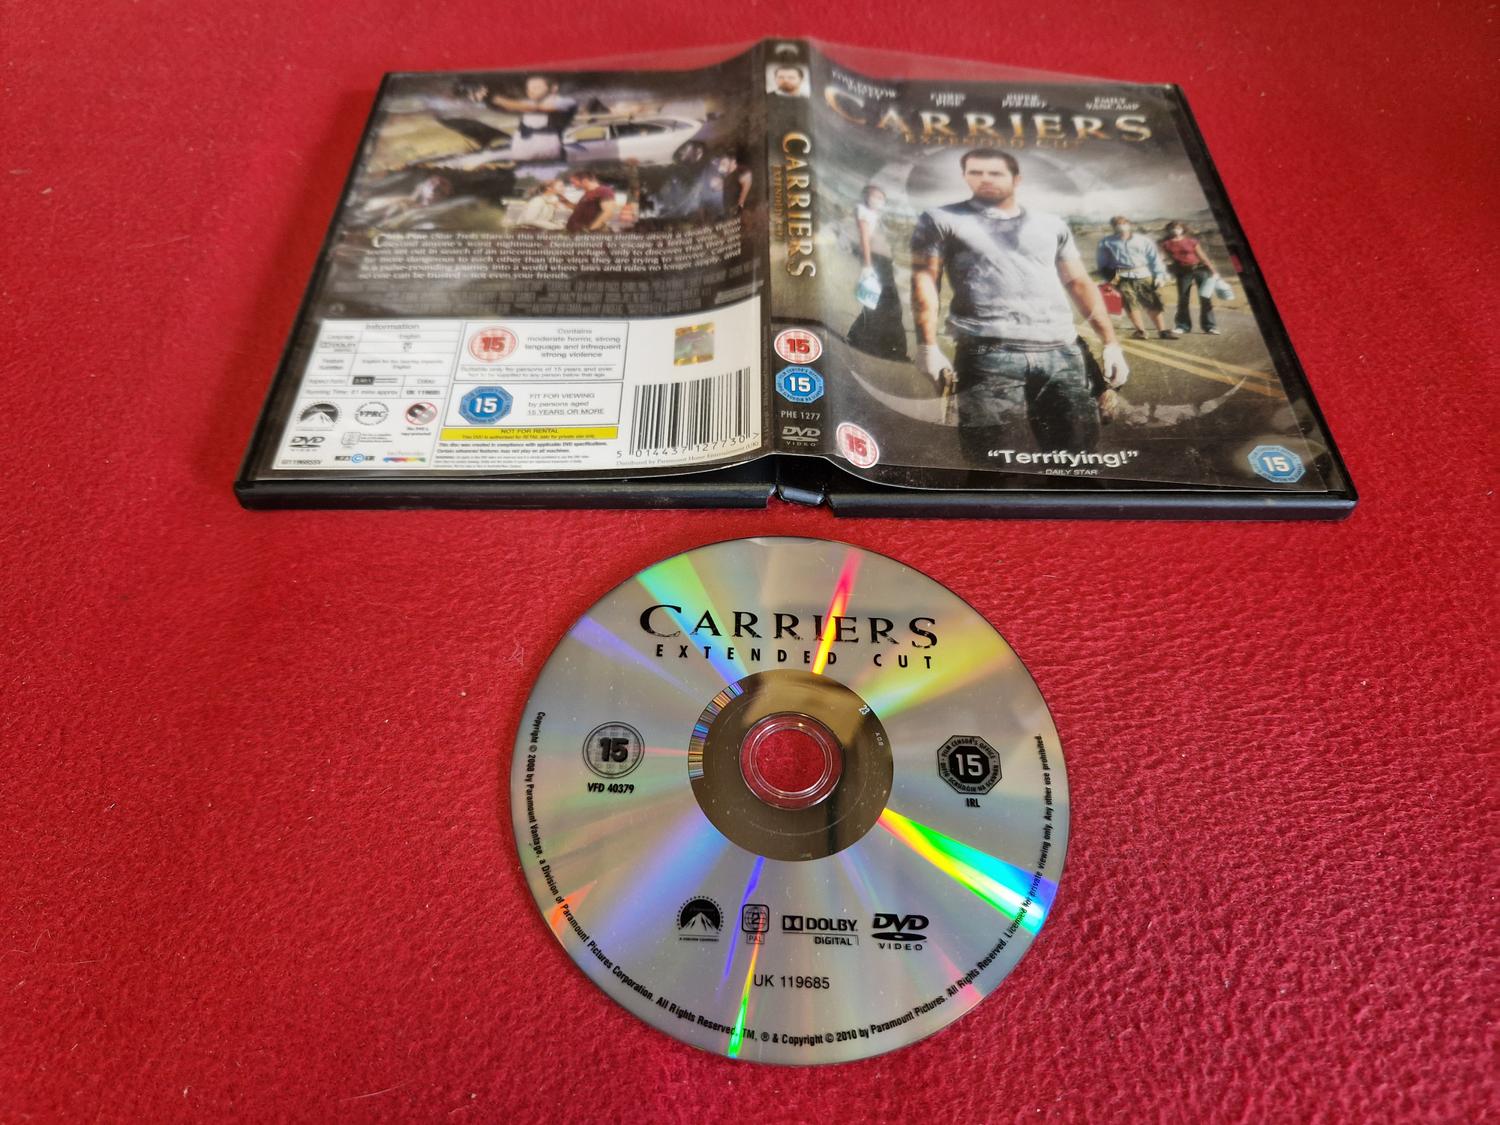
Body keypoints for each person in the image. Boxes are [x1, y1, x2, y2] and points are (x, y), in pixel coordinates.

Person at [911, 149, 1127, 458]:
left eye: (995, 173)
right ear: (965, 177)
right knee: (992, 460)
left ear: (1016, 179)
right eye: (975, 172)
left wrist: (1111, 343)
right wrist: (927, 347)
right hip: (987, 353)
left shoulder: (1051, 224)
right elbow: (925, 280)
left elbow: (1079, 282)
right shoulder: (940, 219)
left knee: (1077, 458)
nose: (984, 179)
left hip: (1062, 352)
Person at [847, 186, 908, 360]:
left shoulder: (876, 216)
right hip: (875, 261)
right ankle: (892, 349)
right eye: (875, 196)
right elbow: (864, 239)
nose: (878, 200)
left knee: (878, 301)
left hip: (883, 262)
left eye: (881, 198)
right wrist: (867, 265)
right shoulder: (863, 211)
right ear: (866, 196)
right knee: (889, 304)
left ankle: (858, 338)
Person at [1096, 216, 1178, 340]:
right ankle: (1140, 331)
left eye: (1123, 223)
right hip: (1122, 276)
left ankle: (1162, 331)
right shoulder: (1106, 242)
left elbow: (1154, 258)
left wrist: (1160, 275)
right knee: (1130, 304)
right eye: (1117, 224)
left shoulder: (1143, 240)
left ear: (1129, 224)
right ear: (1113, 227)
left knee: (1152, 302)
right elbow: (1103, 263)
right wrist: (1108, 279)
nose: (1121, 226)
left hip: (1144, 274)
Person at [1160, 220, 1221, 334]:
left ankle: (1210, 326)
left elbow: (1202, 256)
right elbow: (1161, 258)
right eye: (1172, 228)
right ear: (1168, 230)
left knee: (1205, 297)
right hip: (1183, 272)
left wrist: (1213, 271)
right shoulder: (1166, 244)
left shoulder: (1191, 241)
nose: (1175, 230)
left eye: (1178, 228)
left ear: (1183, 229)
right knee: (1183, 298)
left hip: (1200, 269)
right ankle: (1182, 326)